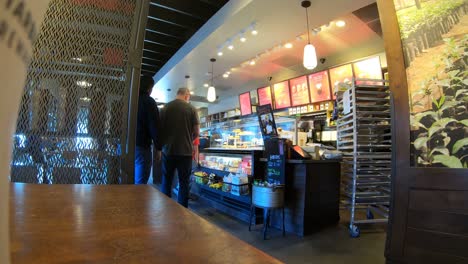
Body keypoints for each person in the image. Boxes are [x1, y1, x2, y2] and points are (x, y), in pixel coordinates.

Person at [160, 87, 199, 208]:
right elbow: (197, 132)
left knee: (167, 180)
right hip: (185, 152)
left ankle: (165, 209)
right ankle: (182, 211)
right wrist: (188, 139)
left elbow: (159, 129)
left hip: (168, 150)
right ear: (187, 95)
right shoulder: (192, 109)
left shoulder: (165, 108)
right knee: (184, 183)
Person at [135, 75, 161, 184]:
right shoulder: (149, 102)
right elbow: (154, 126)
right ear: (149, 88)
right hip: (142, 146)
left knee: (125, 181)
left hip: (123, 145)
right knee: (140, 185)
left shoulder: (130, 99)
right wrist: (158, 148)